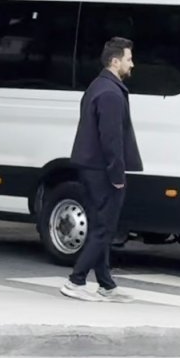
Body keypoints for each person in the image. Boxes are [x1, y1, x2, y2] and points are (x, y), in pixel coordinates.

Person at [61, 37, 143, 302]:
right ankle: (76, 281)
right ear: (115, 61)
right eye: (129, 59)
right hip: (102, 171)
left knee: (100, 226)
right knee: (104, 229)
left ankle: (106, 284)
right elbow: (111, 139)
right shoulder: (110, 93)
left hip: (90, 168)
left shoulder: (98, 86)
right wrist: (117, 175)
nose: (132, 64)